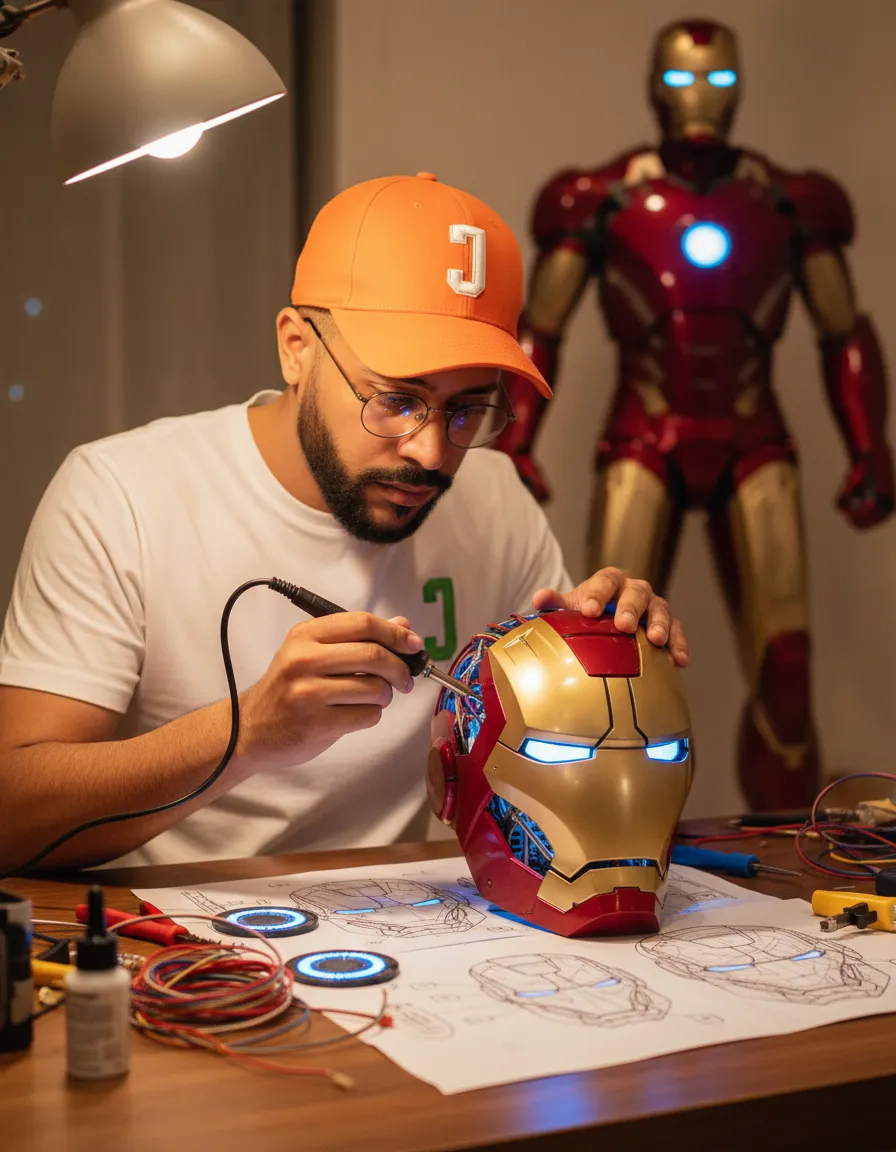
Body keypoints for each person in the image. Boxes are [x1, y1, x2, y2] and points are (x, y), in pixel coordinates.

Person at [0, 173, 688, 872]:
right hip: (172, 939)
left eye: (468, 410)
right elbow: (11, 820)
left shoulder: (496, 498)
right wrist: (246, 735)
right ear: (296, 347)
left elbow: (562, 759)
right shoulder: (121, 494)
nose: (430, 452)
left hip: (400, 937)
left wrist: (607, 661)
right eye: (396, 399)